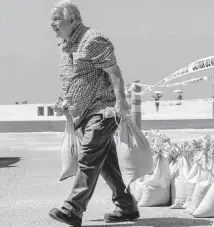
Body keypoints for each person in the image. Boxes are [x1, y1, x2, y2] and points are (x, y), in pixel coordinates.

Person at [49, 1, 138, 226]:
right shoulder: (65, 44)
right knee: (106, 163)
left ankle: (73, 209)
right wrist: (64, 102)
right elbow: (71, 79)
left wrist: (121, 103)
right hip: (82, 114)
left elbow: (114, 72)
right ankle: (127, 207)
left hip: (103, 110)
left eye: (57, 18)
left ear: (72, 19)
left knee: (88, 157)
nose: (52, 24)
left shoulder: (93, 40)